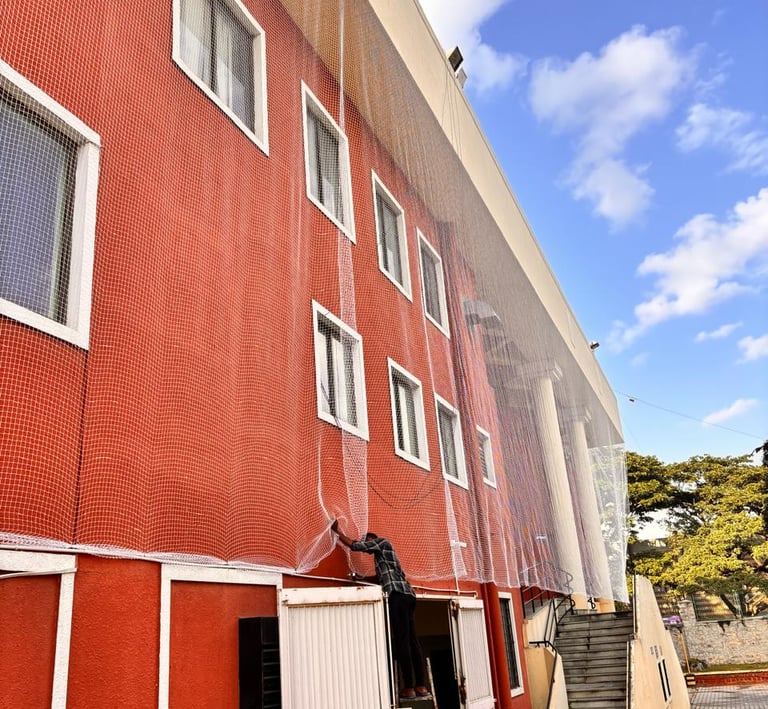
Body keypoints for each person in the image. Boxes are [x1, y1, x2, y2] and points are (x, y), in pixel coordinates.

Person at [331, 520, 431, 701]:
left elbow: (356, 546)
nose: (367, 544)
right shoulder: (384, 560)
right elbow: (380, 579)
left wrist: (337, 532)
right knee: (412, 640)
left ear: (373, 540)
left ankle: (408, 687)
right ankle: (421, 685)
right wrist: (359, 578)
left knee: (402, 640)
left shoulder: (382, 543)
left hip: (398, 597)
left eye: (368, 540)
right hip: (408, 595)